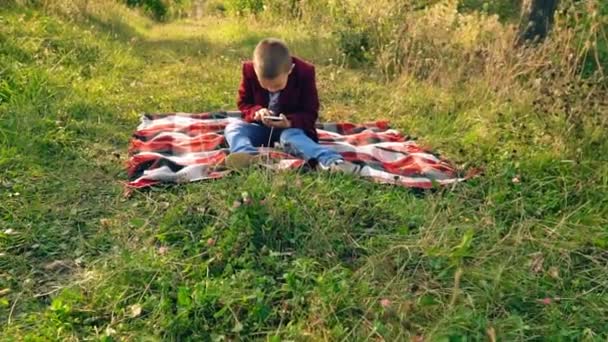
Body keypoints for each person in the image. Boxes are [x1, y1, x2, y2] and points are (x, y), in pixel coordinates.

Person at [224, 37, 357, 172]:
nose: (271, 90)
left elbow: (310, 112)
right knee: (233, 128)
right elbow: (244, 103)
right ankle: (249, 157)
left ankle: (332, 161)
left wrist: (290, 122)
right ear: (255, 71)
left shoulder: (304, 73)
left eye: (277, 85)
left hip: (291, 130)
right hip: (260, 127)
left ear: (290, 70)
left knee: (291, 138)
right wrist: (257, 111)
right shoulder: (249, 70)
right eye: (265, 86)